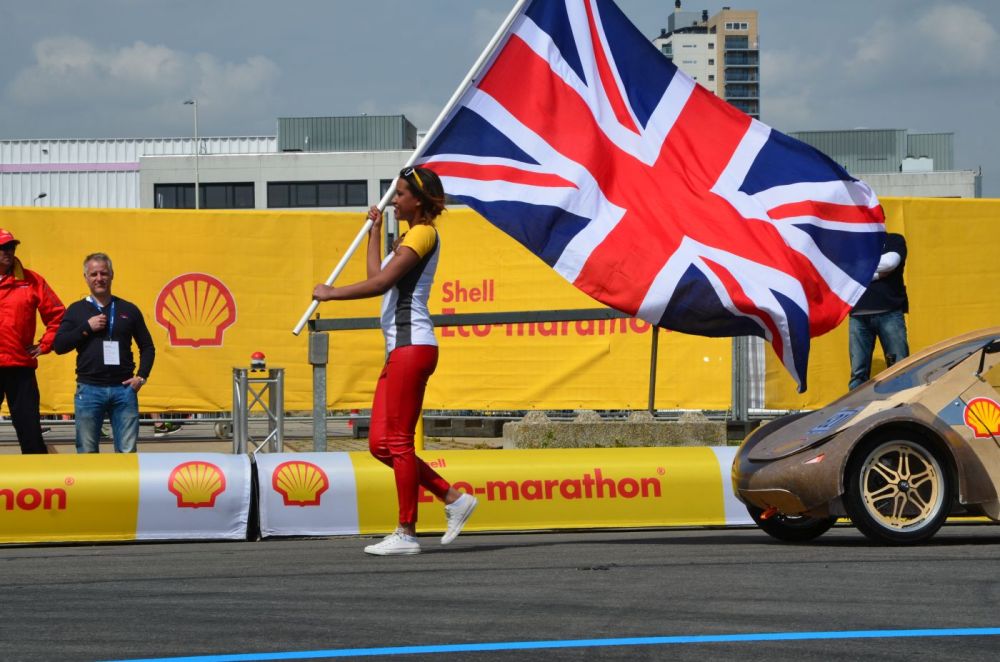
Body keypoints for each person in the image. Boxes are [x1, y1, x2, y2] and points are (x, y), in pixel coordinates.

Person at [313, 166, 477, 556]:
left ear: (418, 200)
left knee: (398, 443)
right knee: (378, 445)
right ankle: (452, 497)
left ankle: (406, 532)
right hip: (399, 350)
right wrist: (373, 231)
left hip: (412, 346)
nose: (395, 199)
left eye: (401, 194)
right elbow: (377, 275)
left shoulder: (423, 234)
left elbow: (380, 285)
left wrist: (331, 294)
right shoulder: (408, 236)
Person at [53, 253, 155, 453]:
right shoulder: (76, 310)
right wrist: (86, 328)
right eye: (93, 274)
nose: (99, 278)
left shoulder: (129, 309)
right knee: (87, 451)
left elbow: (148, 347)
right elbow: (59, 345)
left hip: (124, 390)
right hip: (89, 389)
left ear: (112, 275)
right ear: (85, 277)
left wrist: (141, 377)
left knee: (127, 452)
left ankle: (125, 486)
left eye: (103, 273)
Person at [0, 228, 65, 454]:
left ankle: (41, 484)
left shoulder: (31, 280)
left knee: (30, 432)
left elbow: (58, 315)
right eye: (3, 248)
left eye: (11, 247)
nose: (8, 251)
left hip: (20, 367)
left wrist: (45, 344)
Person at [849, 232, 909, 390]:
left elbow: (890, 263)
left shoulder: (894, 240)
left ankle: (900, 408)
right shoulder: (852, 242)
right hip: (858, 314)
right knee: (858, 373)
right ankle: (857, 412)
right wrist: (878, 273)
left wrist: (858, 268)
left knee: (900, 368)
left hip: (889, 310)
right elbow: (844, 269)